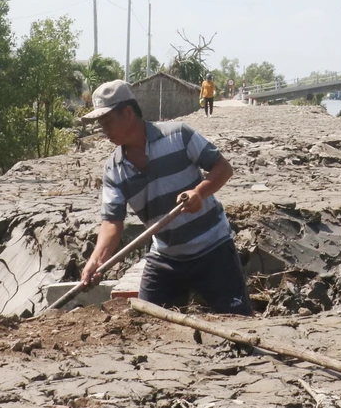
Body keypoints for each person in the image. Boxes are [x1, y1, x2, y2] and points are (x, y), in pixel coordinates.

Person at [81, 80, 252, 315]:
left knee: (237, 321)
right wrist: (96, 261)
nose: (104, 130)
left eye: (108, 122)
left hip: (213, 248)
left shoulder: (178, 135)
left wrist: (199, 193)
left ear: (128, 113)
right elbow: (112, 223)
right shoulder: (114, 169)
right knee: (146, 322)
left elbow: (223, 168)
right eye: (101, 124)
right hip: (166, 257)